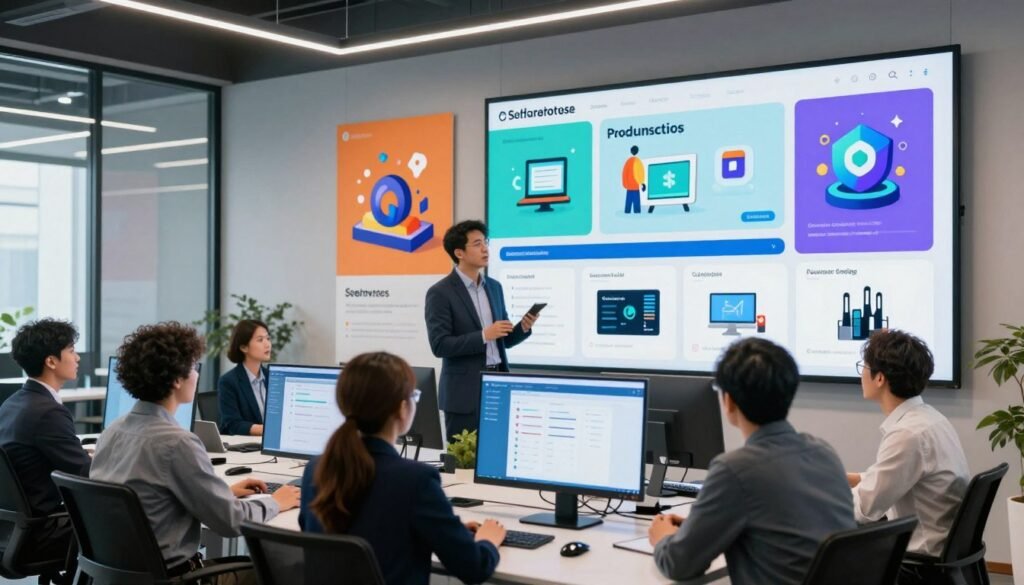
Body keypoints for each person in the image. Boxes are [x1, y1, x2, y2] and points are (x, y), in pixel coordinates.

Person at [90, 322, 299, 582]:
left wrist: (224, 493)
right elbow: (231, 522)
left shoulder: (111, 432)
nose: (197, 375)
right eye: (192, 367)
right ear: (177, 380)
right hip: (177, 578)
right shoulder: (178, 443)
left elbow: (151, 495)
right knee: (281, 574)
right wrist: (276, 502)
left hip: (121, 576)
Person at [648, 338, 855, 585]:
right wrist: (700, 527)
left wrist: (662, 538)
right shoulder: (823, 452)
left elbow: (679, 565)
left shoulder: (734, 470)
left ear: (729, 401)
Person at [299, 351, 505, 585]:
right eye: (414, 396)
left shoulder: (316, 469)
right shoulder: (416, 480)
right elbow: (474, 568)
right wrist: (488, 540)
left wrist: (446, 530)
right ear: (401, 408)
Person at [848, 329, 969, 576]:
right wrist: (838, 478)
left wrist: (818, 494)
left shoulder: (908, 435)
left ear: (879, 378)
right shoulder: (930, 419)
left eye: (864, 367)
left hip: (917, 566)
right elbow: (889, 478)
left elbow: (865, 509)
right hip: (941, 554)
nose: (861, 374)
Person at [424, 220, 536, 441]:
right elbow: (440, 345)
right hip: (464, 394)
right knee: (464, 458)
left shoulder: (494, 287)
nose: (485, 249)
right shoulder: (440, 293)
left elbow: (502, 340)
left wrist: (522, 328)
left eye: (485, 242)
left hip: (498, 383)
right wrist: (484, 335)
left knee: (497, 452)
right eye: (477, 244)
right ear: (459, 253)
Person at [0, 319, 90, 570]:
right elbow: (85, 475)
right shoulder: (48, 412)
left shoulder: (13, 403)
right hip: (41, 534)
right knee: (131, 530)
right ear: (51, 361)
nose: (78, 358)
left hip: (10, 532)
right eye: (71, 351)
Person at [218, 319, 272, 436]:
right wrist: (268, 430)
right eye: (260, 340)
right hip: (246, 444)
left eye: (268, 338)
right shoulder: (228, 382)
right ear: (244, 347)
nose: (267, 344)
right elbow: (233, 424)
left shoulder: (273, 378)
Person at [621, 144, 646, 214]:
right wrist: (642, 183)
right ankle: (637, 212)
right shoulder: (638, 161)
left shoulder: (628, 161)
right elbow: (640, 173)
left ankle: (627, 211)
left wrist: (624, 184)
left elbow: (624, 173)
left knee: (628, 201)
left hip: (629, 186)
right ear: (637, 151)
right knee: (636, 201)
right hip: (635, 186)